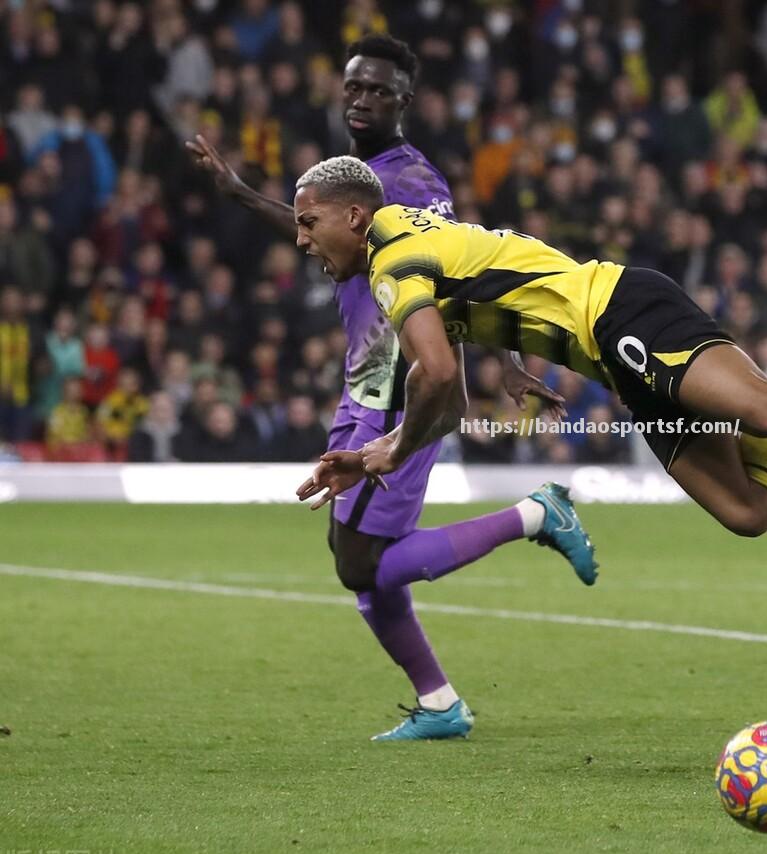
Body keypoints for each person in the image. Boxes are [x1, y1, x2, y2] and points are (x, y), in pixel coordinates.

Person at [291, 155, 767, 536]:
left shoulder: (392, 265)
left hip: (620, 310)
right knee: (751, 509)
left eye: (307, 221)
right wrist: (502, 366)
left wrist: (382, 453)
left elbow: (434, 373)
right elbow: (452, 392)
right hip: (615, 357)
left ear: (355, 217)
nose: (301, 239)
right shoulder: (407, 240)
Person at [187, 35, 591, 742]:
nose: (361, 99)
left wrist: (500, 356)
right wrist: (242, 192)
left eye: (377, 89)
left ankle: (535, 513)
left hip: (404, 386)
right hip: (364, 384)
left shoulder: (410, 181)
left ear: (404, 100)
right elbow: (316, 234)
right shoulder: (353, 179)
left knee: (359, 561)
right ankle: (439, 702)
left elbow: (458, 269)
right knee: (359, 557)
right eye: (352, 87)